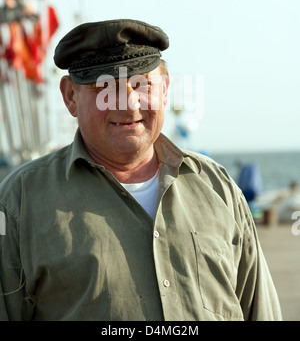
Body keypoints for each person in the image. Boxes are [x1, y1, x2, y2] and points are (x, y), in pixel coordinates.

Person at [0, 19, 282, 321]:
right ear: (70, 96)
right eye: (104, 88)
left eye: (142, 85)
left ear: (165, 88)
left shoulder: (218, 187)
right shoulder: (20, 203)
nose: (129, 104)